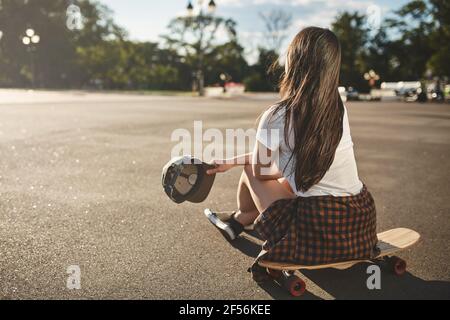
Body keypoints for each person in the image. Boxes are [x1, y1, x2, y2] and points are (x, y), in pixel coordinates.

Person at [204, 27, 378, 272]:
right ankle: (240, 220)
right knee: (286, 180)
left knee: (253, 170)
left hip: (315, 227)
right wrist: (232, 160)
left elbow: (261, 170)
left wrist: (239, 162)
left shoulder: (277, 114)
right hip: (358, 220)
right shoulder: (338, 109)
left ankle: (240, 219)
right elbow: (294, 163)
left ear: (294, 62)